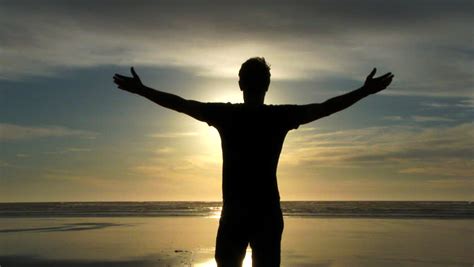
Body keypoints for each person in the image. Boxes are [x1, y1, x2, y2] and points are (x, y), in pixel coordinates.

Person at [113, 57, 394, 266]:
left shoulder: (227, 115)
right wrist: (363, 92)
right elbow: (325, 108)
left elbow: (180, 103)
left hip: (236, 214)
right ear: (267, 85)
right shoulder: (279, 116)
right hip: (267, 214)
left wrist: (143, 90)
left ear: (240, 84)